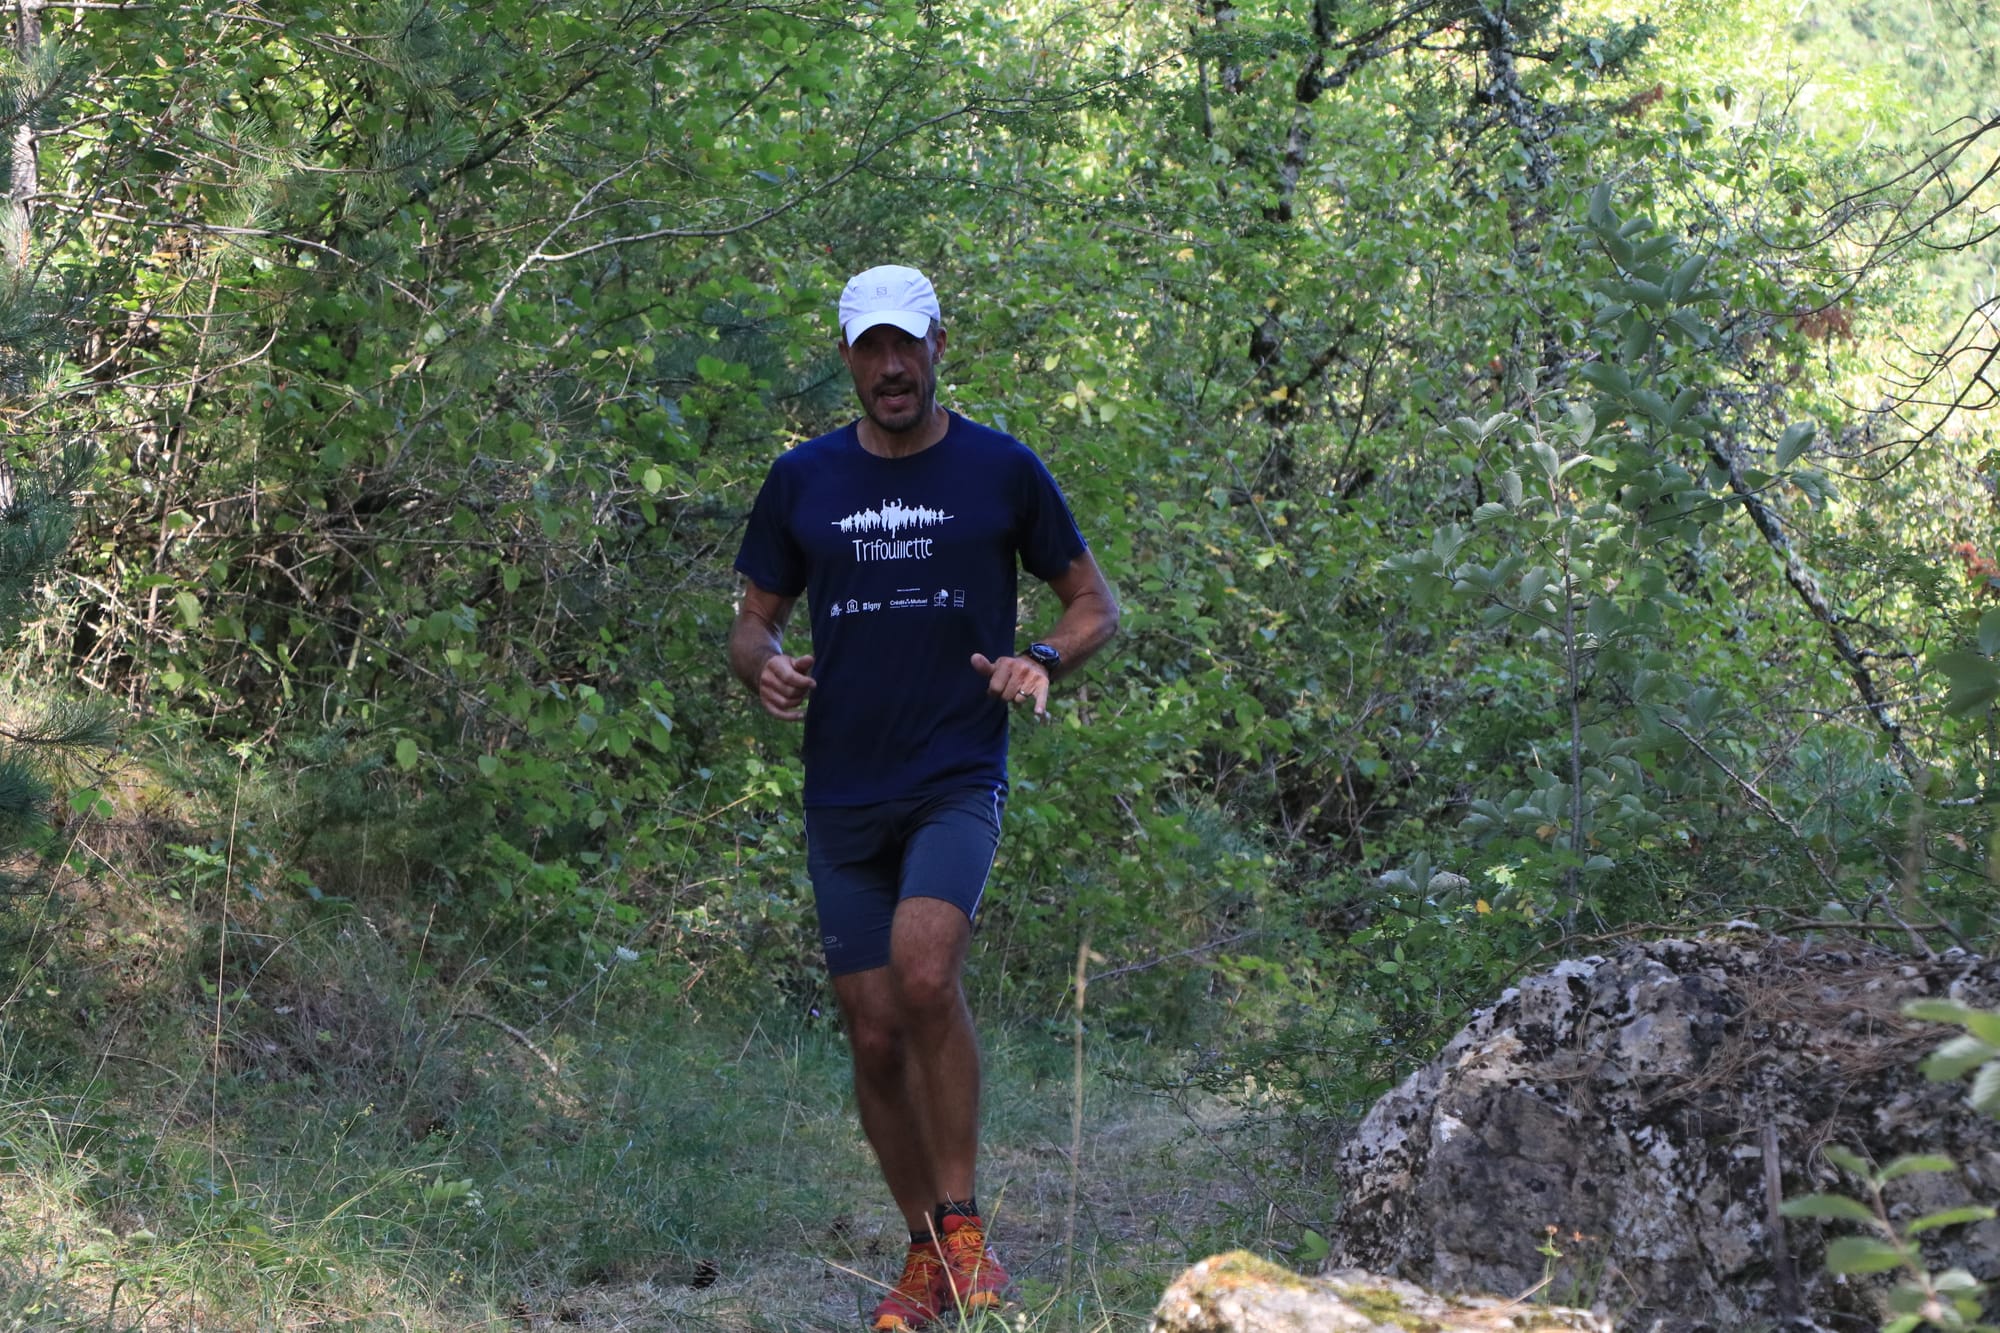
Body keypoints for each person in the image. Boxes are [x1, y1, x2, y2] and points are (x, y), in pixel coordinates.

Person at [729, 264, 1118, 1331]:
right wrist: (758, 662)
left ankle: (962, 1228)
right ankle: (921, 1258)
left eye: (907, 344)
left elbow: (1092, 601)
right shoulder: (801, 478)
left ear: (939, 342)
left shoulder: (1000, 468)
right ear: (846, 354)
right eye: (870, 348)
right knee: (868, 1030)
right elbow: (751, 619)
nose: (891, 367)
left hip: (954, 770)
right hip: (842, 786)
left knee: (923, 970)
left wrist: (1040, 655)